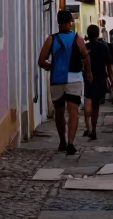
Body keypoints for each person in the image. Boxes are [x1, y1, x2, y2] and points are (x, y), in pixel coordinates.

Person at [38, 10, 91, 155]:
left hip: (57, 80)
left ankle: (62, 140)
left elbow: (41, 61)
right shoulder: (77, 39)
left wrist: (52, 67)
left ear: (58, 22)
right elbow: (86, 58)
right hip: (74, 78)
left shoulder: (51, 39)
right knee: (73, 111)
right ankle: (71, 142)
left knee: (59, 111)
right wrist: (88, 73)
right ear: (71, 22)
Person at [82, 24, 113, 140]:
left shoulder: (85, 47)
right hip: (100, 78)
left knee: (87, 100)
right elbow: (109, 67)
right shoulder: (104, 47)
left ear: (88, 34)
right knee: (95, 104)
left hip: (87, 78)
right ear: (98, 34)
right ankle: (94, 128)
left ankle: (88, 127)